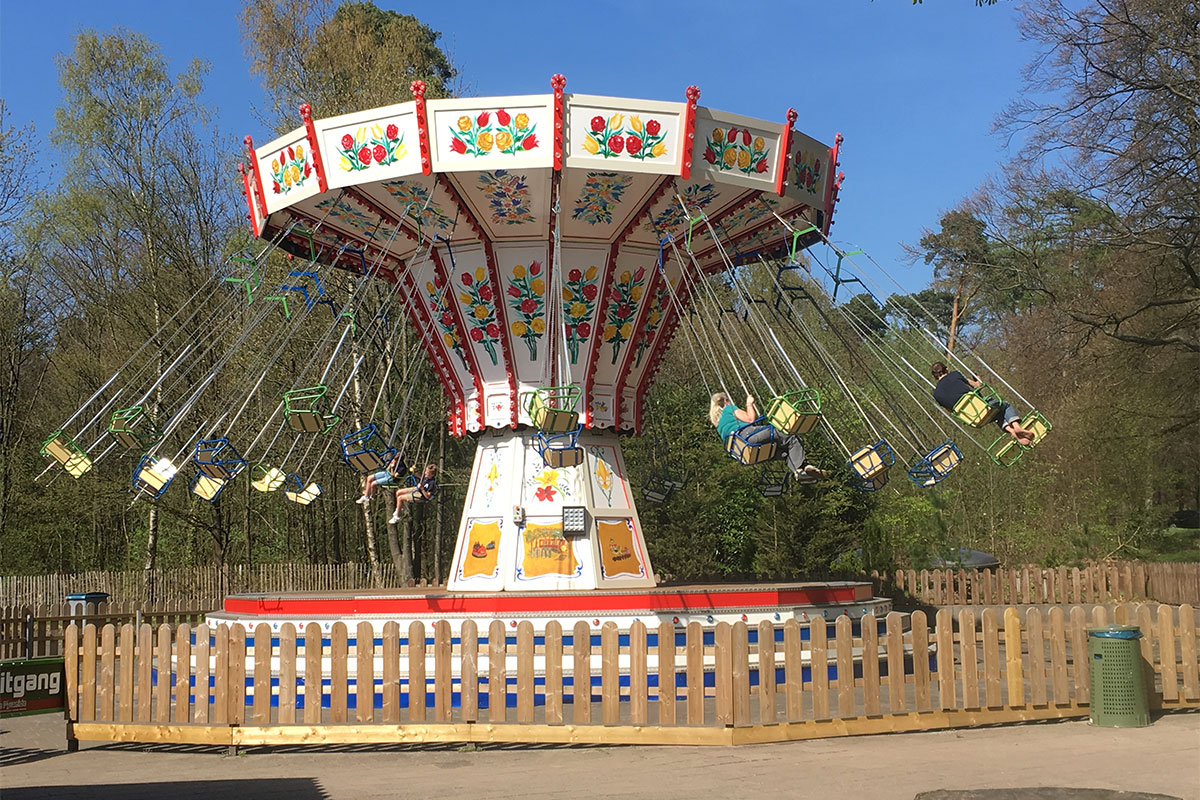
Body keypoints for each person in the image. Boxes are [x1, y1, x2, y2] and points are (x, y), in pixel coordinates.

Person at [709, 392, 826, 481]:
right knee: (788, 434)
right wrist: (749, 404)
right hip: (748, 436)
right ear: (725, 401)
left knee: (784, 452)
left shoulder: (718, 424)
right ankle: (801, 468)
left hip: (743, 452)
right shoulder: (729, 409)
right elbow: (750, 419)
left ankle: (801, 471)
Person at [930, 362, 1036, 445]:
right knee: (1005, 405)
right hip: (983, 407)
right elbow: (977, 385)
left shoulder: (936, 395)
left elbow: (951, 411)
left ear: (935, 377)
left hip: (973, 419)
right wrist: (978, 379)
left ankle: (1012, 432)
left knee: (997, 415)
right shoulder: (955, 374)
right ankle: (1017, 427)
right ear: (946, 370)